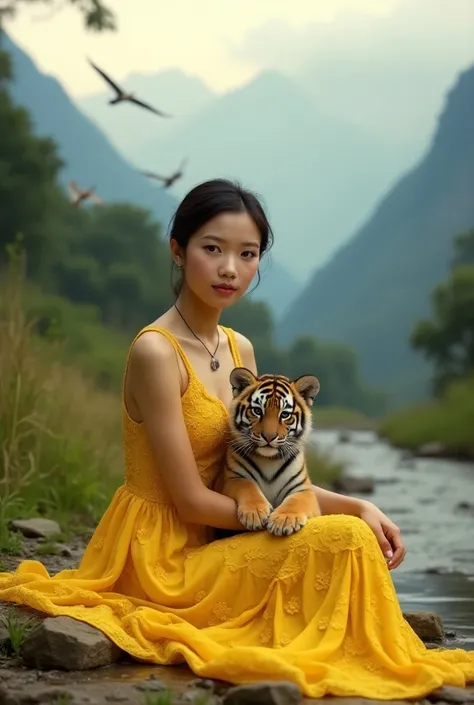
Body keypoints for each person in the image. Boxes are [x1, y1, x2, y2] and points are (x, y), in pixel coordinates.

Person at [0, 178, 472, 698]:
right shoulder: (156, 353)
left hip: (228, 536)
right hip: (163, 560)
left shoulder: (239, 349)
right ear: (177, 251)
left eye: (246, 254)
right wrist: (303, 520)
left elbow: (264, 476)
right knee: (340, 540)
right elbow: (191, 501)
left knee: (352, 532)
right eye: (212, 249)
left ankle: (359, 642)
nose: (230, 268)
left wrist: (354, 505)